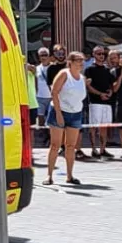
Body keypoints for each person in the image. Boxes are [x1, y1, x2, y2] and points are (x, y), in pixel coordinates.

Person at [46, 51, 87, 186]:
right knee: (55, 145)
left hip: (75, 113)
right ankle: (49, 176)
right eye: (78, 61)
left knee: (70, 146)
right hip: (60, 111)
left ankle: (70, 176)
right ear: (71, 62)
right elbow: (54, 92)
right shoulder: (64, 74)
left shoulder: (81, 78)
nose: (81, 64)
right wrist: (58, 113)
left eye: (82, 61)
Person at [31, 48, 54, 147]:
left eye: (45, 55)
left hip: (51, 97)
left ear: (49, 56)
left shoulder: (53, 68)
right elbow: (35, 82)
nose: (43, 57)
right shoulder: (37, 68)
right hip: (40, 97)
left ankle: (50, 137)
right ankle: (44, 137)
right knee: (40, 120)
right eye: (41, 55)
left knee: (50, 119)